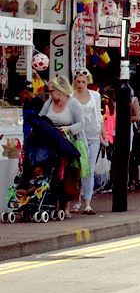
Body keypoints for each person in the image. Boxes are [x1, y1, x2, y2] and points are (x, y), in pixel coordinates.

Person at [40, 76, 87, 218]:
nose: (50, 94)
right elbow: (41, 117)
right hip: (50, 139)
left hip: (67, 140)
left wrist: (68, 129)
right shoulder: (49, 102)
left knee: (65, 173)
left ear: (60, 90)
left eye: (52, 91)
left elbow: (81, 124)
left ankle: (65, 206)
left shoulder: (73, 104)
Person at [71, 69, 108, 214]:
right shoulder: (71, 96)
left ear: (88, 82)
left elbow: (98, 115)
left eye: (83, 82)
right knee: (77, 169)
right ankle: (76, 200)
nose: (81, 84)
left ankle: (87, 202)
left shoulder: (95, 95)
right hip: (77, 136)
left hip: (93, 135)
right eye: (78, 81)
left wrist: (103, 132)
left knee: (89, 170)